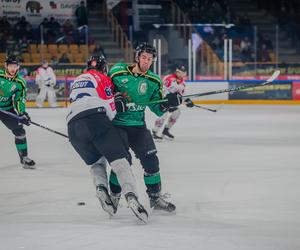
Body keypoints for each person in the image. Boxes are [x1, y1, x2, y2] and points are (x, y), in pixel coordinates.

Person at [66, 55, 148, 223]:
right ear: (104, 68)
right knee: (121, 161)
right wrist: (118, 104)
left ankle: (101, 188)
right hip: (95, 120)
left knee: (97, 162)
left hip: (72, 127)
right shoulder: (102, 77)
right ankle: (131, 196)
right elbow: (110, 109)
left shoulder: (77, 80)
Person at [108, 42, 182, 213]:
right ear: (137, 57)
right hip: (118, 125)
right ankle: (114, 195)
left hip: (138, 126)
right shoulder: (117, 71)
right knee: (122, 163)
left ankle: (155, 197)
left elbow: (157, 108)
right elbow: (105, 93)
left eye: (150, 59)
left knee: (151, 161)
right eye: (144, 57)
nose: (147, 61)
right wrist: (114, 99)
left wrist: (169, 103)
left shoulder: (154, 80)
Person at [0, 55, 35, 169]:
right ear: (6, 66)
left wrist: (22, 113)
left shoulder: (20, 82)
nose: (12, 68)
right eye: (10, 66)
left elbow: (19, 99)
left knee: (20, 132)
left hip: (6, 109)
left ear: (18, 67)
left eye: (15, 66)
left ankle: (24, 158)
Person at [152, 65, 194, 139]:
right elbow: (162, 89)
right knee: (163, 115)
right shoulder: (169, 78)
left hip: (172, 103)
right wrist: (168, 98)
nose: (179, 73)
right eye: (178, 72)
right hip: (164, 101)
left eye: (181, 72)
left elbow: (183, 95)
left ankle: (166, 130)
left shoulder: (183, 84)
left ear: (184, 74)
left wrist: (188, 101)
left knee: (177, 112)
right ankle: (155, 132)